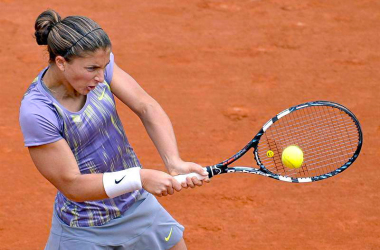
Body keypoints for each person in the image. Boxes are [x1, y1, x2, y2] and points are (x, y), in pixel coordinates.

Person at [19, 9, 208, 250]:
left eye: (104, 66)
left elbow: (146, 106)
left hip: (135, 205)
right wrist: (139, 177)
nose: (101, 77)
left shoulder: (98, 70)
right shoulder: (38, 111)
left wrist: (174, 162)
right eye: (92, 69)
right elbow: (73, 185)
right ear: (61, 62)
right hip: (84, 228)